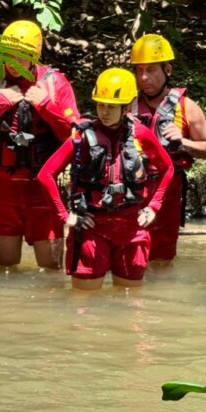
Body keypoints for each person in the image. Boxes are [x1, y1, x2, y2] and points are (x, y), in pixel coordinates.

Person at [0, 20, 80, 271]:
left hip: (43, 188)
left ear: (34, 56)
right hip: (1, 187)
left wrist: (47, 107)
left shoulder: (55, 83)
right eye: (8, 54)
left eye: (21, 56)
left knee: (51, 270)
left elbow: (76, 138)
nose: (13, 62)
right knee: (5, 267)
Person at [37, 68, 174, 290]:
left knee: (130, 302)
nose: (104, 111)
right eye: (101, 104)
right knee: (84, 306)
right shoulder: (82, 136)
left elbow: (167, 168)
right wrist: (65, 216)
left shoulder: (140, 134)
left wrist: (154, 206)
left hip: (132, 227)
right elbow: (45, 175)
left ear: (127, 106)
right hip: (92, 226)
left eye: (111, 106)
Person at [128, 34, 206, 264]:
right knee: (131, 249)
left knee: (163, 254)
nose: (144, 77)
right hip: (135, 187)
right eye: (139, 71)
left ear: (167, 69)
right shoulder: (128, 104)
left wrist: (184, 141)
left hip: (168, 189)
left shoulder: (187, 107)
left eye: (150, 70)